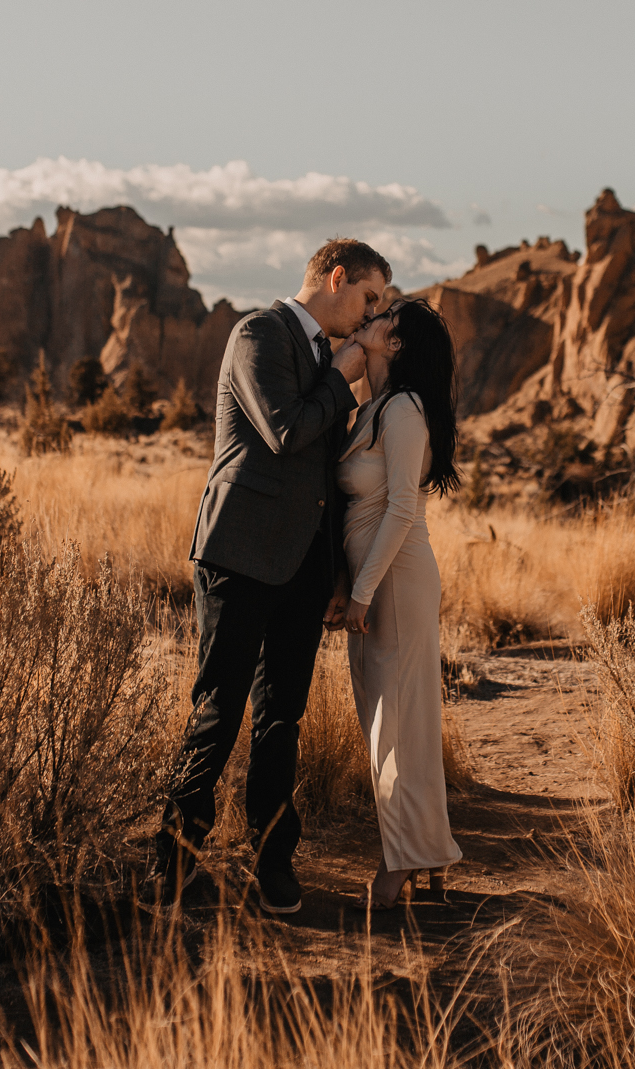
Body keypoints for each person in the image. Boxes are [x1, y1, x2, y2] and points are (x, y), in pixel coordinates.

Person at [154, 238, 392, 914]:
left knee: (281, 718)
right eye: (368, 297)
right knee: (218, 711)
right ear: (336, 277)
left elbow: (328, 475)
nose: (371, 312)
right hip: (238, 557)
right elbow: (284, 432)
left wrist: (339, 576)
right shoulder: (258, 332)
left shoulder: (329, 357)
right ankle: (170, 866)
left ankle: (271, 864)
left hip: (302, 571)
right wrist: (339, 379)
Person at [330, 297, 464, 909]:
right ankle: (429, 855)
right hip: (370, 582)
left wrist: (360, 594)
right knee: (394, 718)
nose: (370, 319)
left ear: (399, 345)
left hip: (397, 580)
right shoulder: (372, 408)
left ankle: (404, 862)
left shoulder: (404, 409)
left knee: (400, 721)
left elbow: (402, 506)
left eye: (383, 320)